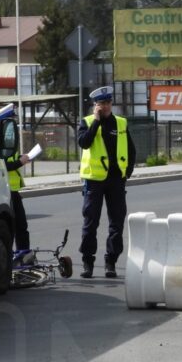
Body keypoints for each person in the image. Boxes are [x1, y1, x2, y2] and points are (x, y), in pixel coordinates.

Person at [76, 85, 136, 278]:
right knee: (91, 222)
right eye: (102, 103)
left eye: (108, 102)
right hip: (94, 180)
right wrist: (95, 121)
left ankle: (111, 261)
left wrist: (127, 173)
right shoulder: (87, 122)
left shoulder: (120, 123)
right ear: (95, 105)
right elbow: (84, 142)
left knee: (116, 222)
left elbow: (131, 150)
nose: (106, 106)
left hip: (116, 180)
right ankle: (88, 262)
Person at [0, 103, 32, 262]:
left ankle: (24, 255)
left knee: (21, 225)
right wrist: (20, 162)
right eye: (12, 120)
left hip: (12, 190)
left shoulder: (5, 137)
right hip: (4, 190)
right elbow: (1, 165)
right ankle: (10, 258)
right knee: (13, 226)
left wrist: (20, 159)